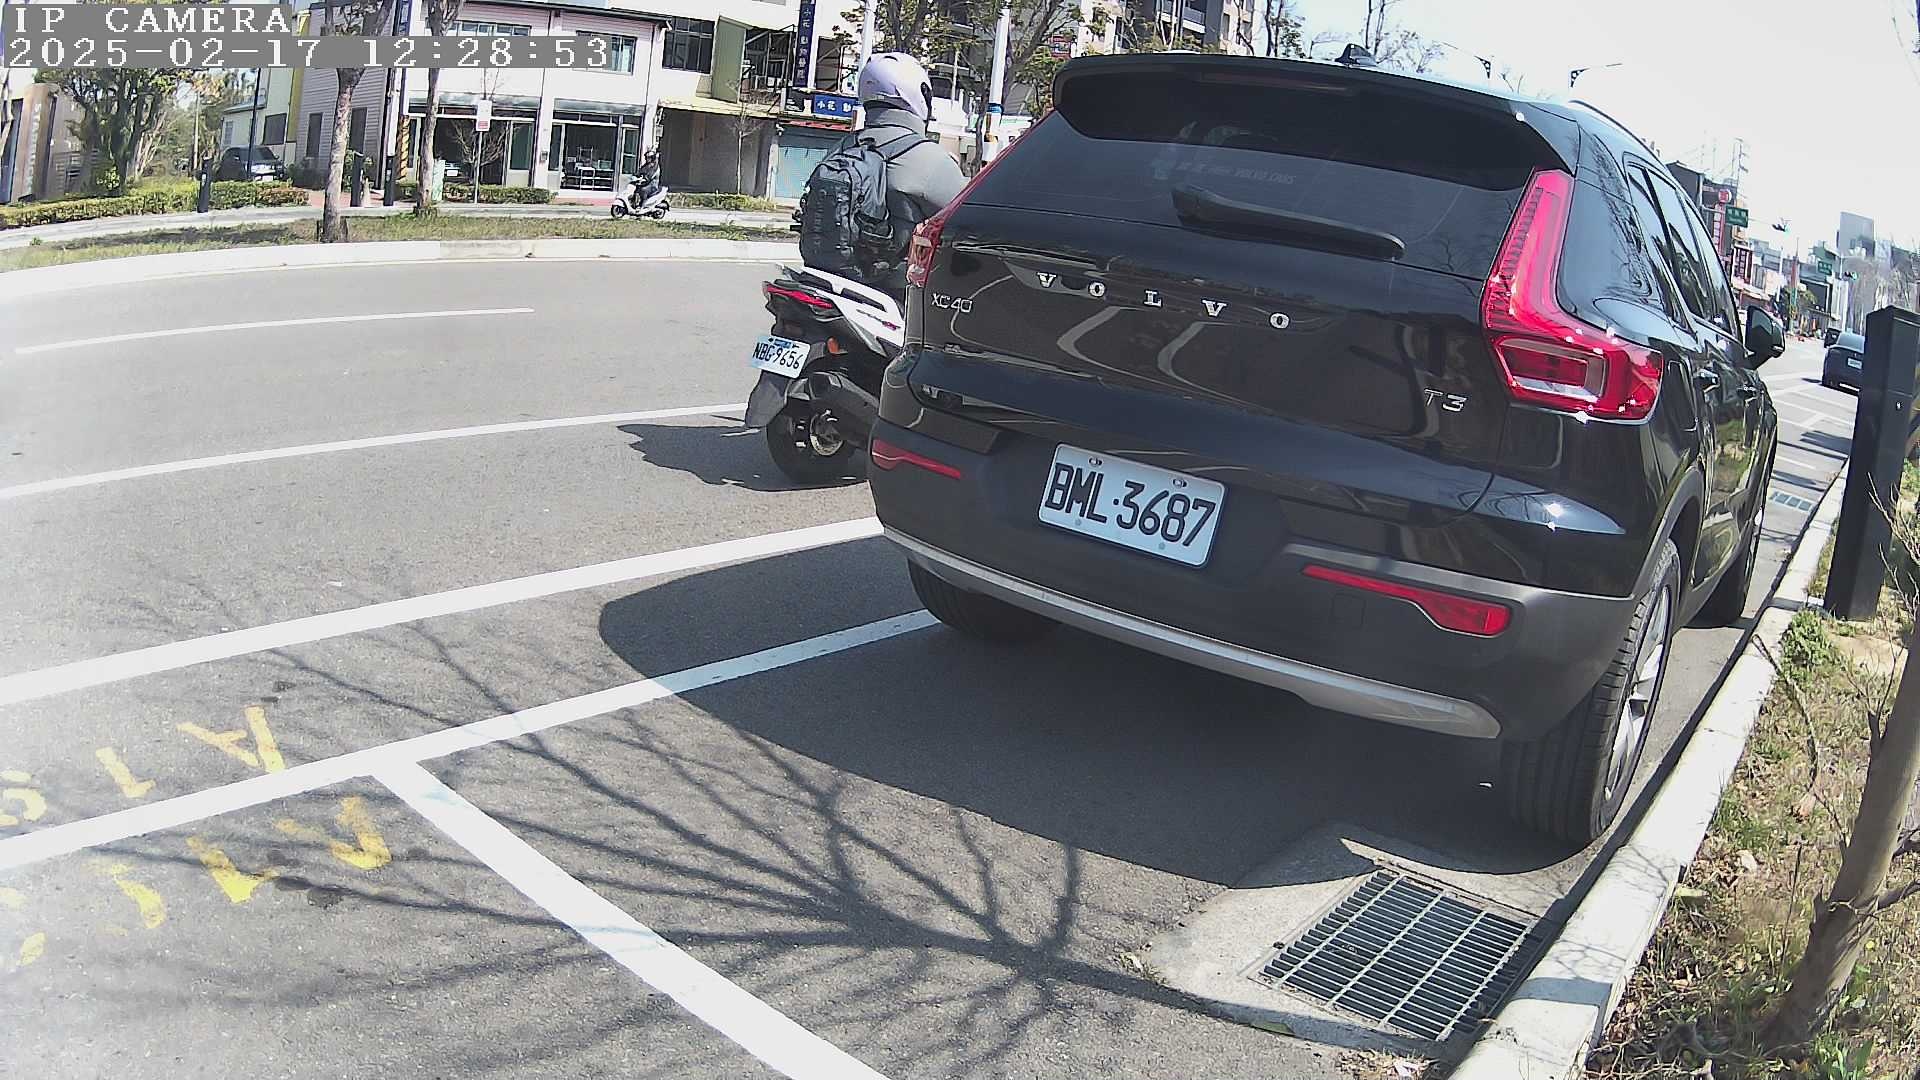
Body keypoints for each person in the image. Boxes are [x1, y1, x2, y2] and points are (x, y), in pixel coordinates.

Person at [797, 53, 967, 295]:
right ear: (919, 94)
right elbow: (968, 223)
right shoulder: (930, 158)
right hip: (895, 292)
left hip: (826, 279)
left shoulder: (843, 147)